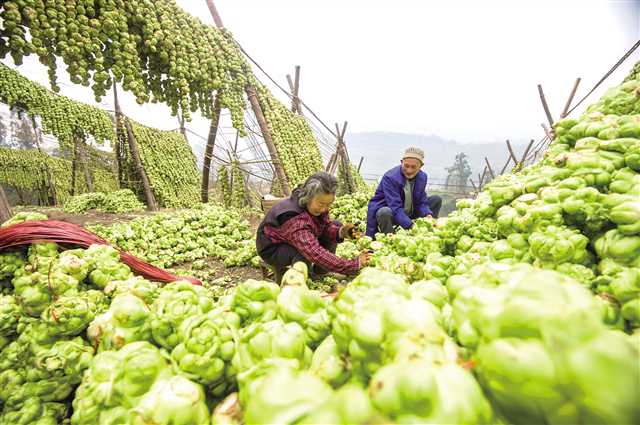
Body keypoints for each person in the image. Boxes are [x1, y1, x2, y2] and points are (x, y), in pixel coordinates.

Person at [256, 171, 372, 284]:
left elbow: (325, 227)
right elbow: (314, 252)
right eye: (321, 204)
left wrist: (341, 232)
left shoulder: (316, 206)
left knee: (336, 224)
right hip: (274, 247)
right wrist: (353, 265)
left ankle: (320, 272)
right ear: (308, 197)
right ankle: (296, 283)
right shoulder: (293, 217)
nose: (324, 209)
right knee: (302, 253)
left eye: (329, 204)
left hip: (295, 238)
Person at [365, 146, 442, 237]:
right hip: (393, 213)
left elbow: (422, 201)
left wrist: (428, 214)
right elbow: (395, 207)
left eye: (413, 167)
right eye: (406, 166)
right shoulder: (390, 178)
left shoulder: (422, 177)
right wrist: (411, 226)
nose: (409, 170)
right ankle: (391, 238)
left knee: (436, 199)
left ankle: (429, 231)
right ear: (401, 162)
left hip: (410, 210)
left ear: (421, 166)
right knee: (383, 212)